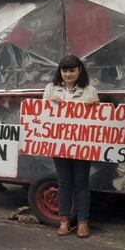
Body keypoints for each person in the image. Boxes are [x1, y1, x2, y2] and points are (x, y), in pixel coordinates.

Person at [43, 55, 99, 238]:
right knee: (64, 182)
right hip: (59, 144)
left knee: (82, 182)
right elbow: (41, 114)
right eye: (64, 70)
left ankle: (83, 222)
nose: (68, 74)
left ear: (79, 70)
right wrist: (51, 102)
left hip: (83, 145)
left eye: (71, 70)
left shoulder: (90, 90)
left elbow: (97, 119)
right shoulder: (51, 89)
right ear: (60, 72)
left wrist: (94, 104)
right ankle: (64, 220)